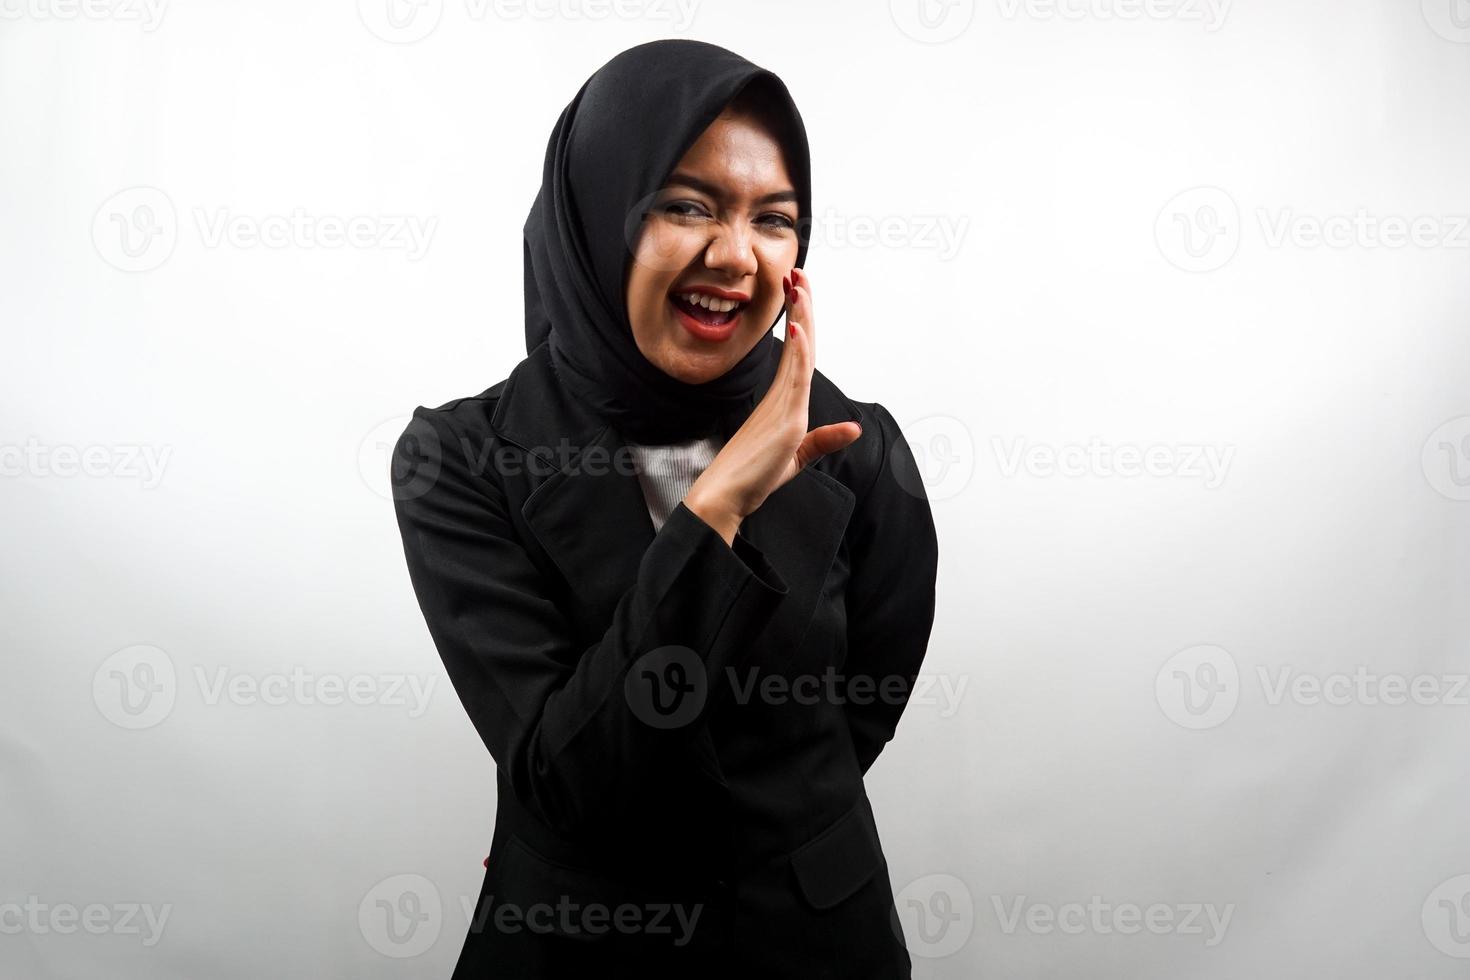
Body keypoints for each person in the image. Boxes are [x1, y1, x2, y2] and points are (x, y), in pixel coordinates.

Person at [391, 38, 939, 979]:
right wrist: (720, 505)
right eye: (687, 205)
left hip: (815, 939)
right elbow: (568, 781)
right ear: (598, 217)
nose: (735, 257)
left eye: (776, 219)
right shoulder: (461, 459)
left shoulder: (861, 447)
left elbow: (857, 716)